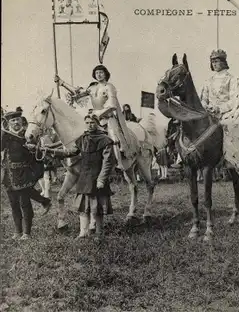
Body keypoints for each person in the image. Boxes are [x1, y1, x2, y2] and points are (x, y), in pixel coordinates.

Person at [28, 114, 115, 240]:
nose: (90, 125)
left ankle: (98, 233)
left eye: (92, 123)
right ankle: (83, 233)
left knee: (98, 208)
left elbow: (108, 162)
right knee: (83, 207)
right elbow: (69, 152)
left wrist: (102, 179)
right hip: (84, 177)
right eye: (88, 122)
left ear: (97, 123)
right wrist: (46, 150)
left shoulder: (105, 140)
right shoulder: (82, 138)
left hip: (97, 177)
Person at [54, 65, 137, 168]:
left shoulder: (109, 87)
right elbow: (77, 91)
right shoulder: (92, 88)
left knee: (114, 138)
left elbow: (112, 105)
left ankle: (119, 164)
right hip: (94, 119)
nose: (99, 75)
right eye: (97, 73)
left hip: (108, 118)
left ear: (106, 74)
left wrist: (99, 114)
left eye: (101, 72)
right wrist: (62, 83)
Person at [199, 49, 239, 174]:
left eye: (217, 61)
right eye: (213, 61)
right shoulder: (208, 81)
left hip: (226, 112)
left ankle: (233, 159)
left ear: (223, 62)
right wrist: (207, 107)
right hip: (209, 113)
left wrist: (219, 108)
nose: (215, 64)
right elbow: (203, 99)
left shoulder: (231, 79)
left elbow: (234, 99)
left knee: (232, 126)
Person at [1, 111, 51, 240]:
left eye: (18, 120)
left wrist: (33, 147)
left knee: (24, 203)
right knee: (14, 204)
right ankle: (17, 231)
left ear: (22, 121)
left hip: (24, 173)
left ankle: (27, 233)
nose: (16, 122)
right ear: (8, 123)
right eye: (13, 121)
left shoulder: (29, 134)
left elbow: (39, 153)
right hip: (8, 175)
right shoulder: (4, 136)